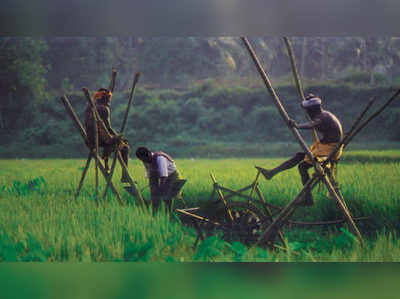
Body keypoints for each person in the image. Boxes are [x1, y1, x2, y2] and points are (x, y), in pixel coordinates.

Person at [256, 94, 343, 206]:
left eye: (308, 111)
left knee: (302, 167)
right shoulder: (324, 114)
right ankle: (271, 173)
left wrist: (296, 126)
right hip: (325, 146)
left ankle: (308, 198)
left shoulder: (322, 117)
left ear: (312, 110)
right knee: (299, 156)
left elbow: (312, 124)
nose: (307, 113)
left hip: (330, 149)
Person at [84, 88, 130, 182]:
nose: (109, 101)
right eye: (109, 99)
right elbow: (107, 129)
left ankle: (106, 163)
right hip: (99, 139)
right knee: (125, 148)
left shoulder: (89, 106)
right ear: (105, 99)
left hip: (89, 139)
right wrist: (117, 137)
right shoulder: (103, 109)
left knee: (116, 140)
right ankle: (125, 176)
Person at [135, 147, 185, 212]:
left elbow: (163, 175)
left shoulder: (160, 159)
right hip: (157, 176)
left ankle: (168, 212)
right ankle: (155, 212)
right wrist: (153, 188)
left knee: (167, 196)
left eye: (145, 159)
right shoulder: (145, 160)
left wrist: (160, 189)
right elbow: (149, 174)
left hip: (171, 176)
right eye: (142, 160)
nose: (145, 161)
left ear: (149, 154)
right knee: (154, 195)